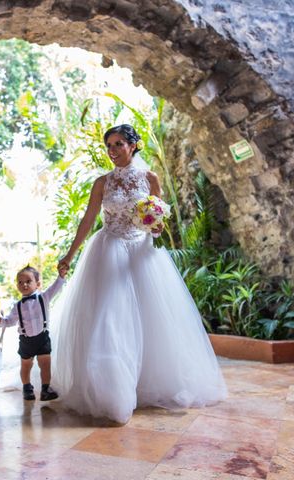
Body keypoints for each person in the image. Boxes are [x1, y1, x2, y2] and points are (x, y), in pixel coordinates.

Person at [52, 124, 227, 424]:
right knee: (109, 318)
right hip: (108, 251)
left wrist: (156, 225)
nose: (112, 150)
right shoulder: (101, 183)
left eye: (119, 144)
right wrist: (69, 254)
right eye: (109, 145)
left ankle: (148, 383)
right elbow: (88, 219)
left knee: (153, 319)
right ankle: (111, 391)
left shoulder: (150, 178)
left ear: (134, 146)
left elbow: (158, 223)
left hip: (142, 253)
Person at [0, 265, 66, 401]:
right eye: (20, 282)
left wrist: (61, 276)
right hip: (26, 341)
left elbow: (55, 288)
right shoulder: (17, 306)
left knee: (45, 364)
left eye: (28, 281)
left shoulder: (44, 298)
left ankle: (45, 389)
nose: (24, 284)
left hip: (42, 338)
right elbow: (9, 321)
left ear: (37, 284)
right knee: (26, 365)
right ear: (17, 285)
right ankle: (27, 388)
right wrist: (0, 320)